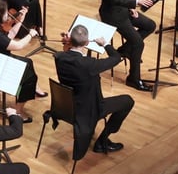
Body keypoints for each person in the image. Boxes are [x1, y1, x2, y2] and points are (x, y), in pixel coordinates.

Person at [53, 25, 132, 157]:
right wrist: (105, 44)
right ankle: (102, 142)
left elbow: (68, 53)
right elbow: (116, 58)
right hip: (89, 109)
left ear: (70, 41)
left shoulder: (59, 57)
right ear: (87, 42)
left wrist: (68, 43)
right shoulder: (90, 65)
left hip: (66, 106)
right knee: (128, 101)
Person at [0, 0, 43, 119]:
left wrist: (19, 21)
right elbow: (17, 45)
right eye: (5, 12)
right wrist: (30, 34)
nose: (8, 14)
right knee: (29, 77)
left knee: (28, 63)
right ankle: (17, 112)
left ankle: (28, 91)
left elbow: (9, 38)